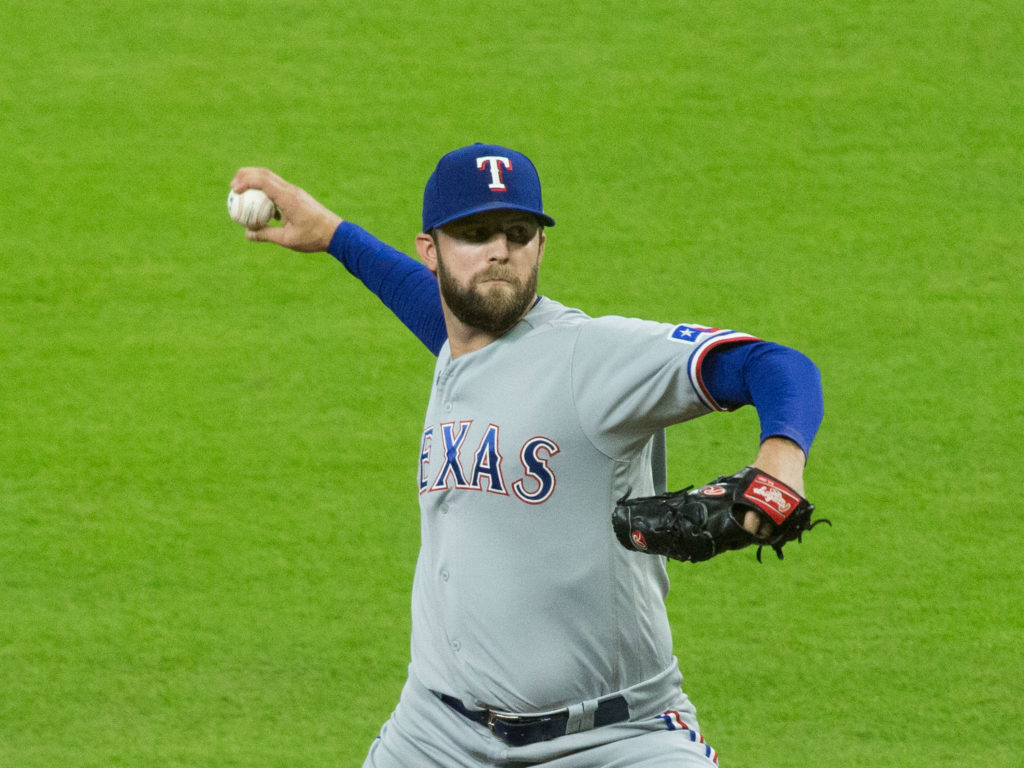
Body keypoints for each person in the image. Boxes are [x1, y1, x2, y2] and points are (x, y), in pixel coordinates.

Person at [231, 143, 824, 767]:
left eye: (518, 233)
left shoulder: (590, 358)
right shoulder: (460, 344)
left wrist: (779, 459)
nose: (499, 250)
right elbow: (428, 304)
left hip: (614, 739)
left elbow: (775, 364)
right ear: (429, 251)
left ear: (540, 246)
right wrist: (332, 235)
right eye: (474, 233)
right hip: (438, 733)